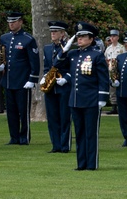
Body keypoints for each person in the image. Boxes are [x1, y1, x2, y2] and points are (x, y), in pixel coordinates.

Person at [55, 22, 110, 170]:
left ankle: (91, 164)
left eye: (83, 36)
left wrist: (102, 98)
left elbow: (103, 78)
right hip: (75, 100)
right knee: (79, 133)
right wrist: (64, 50)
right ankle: (81, 164)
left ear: (91, 39)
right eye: (78, 37)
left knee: (90, 134)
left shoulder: (96, 55)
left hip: (91, 99)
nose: (79, 39)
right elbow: (57, 64)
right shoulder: (73, 54)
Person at [0, 11, 40, 145]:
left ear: (20, 22)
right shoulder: (4, 38)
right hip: (9, 80)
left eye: (14, 22)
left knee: (23, 111)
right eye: (9, 22)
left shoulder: (28, 39)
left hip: (23, 81)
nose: (11, 24)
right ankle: (14, 137)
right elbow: (1, 56)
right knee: (11, 112)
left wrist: (32, 79)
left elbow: (34, 61)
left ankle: (24, 137)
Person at [43, 21, 72, 153]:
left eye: (56, 32)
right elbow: (46, 67)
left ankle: (65, 145)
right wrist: (44, 77)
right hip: (51, 87)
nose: (53, 34)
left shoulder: (69, 48)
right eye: (52, 31)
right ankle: (56, 145)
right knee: (52, 117)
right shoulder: (48, 48)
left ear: (62, 34)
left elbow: (73, 68)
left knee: (64, 117)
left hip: (63, 86)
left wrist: (66, 78)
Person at [103, 29, 124, 115]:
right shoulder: (108, 48)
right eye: (111, 36)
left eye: (114, 36)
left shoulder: (122, 48)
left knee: (119, 89)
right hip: (110, 71)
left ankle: (120, 106)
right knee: (112, 90)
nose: (112, 38)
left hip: (118, 71)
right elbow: (105, 59)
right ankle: (114, 106)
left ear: (118, 37)